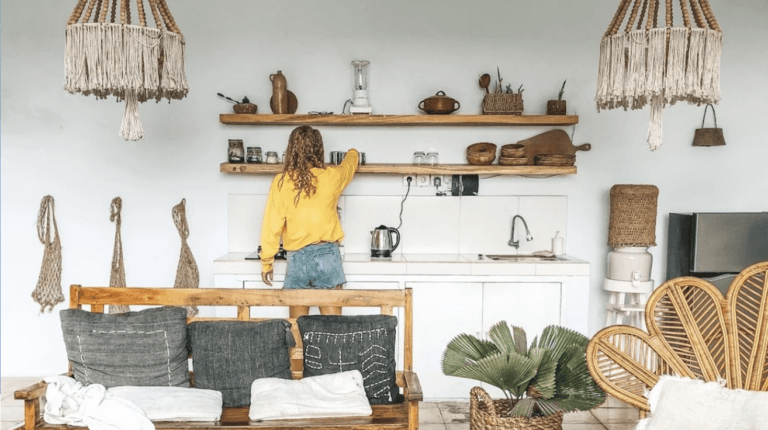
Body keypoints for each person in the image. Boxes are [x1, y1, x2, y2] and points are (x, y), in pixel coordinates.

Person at [260, 125, 359, 318]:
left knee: (297, 329)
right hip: (327, 256)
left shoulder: (281, 182)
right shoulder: (331, 176)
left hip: (297, 258)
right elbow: (349, 167)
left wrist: (267, 262)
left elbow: (271, 226)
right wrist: (353, 153)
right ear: (318, 150)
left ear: (291, 151)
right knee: (333, 331)